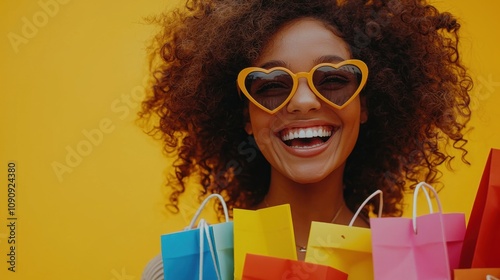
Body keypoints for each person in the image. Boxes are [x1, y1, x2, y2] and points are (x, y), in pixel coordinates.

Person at [140, 0, 473, 278]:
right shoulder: (184, 271)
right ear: (246, 116)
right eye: (271, 86)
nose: (303, 101)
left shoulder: (431, 268)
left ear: (365, 104)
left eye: (332, 79)